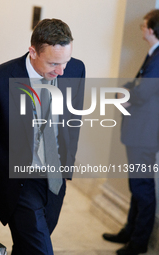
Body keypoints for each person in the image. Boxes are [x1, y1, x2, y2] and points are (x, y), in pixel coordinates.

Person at [0, 18, 86, 255]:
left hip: (55, 179)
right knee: (41, 250)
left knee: (28, 246)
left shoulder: (76, 69)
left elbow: (72, 121)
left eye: (65, 61)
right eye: (54, 63)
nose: (61, 71)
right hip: (19, 182)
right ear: (32, 51)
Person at [102, 9, 159, 255]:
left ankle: (138, 242)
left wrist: (126, 96)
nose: (142, 28)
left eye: (144, 24)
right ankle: (129, 231)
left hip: (145, 133)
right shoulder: (152, 54)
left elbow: (142, 91)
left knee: (142, 187)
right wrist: (126, 91)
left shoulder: (158, 56)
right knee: (136, 185)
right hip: (140, 131)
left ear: (151, 28)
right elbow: (135, 84)